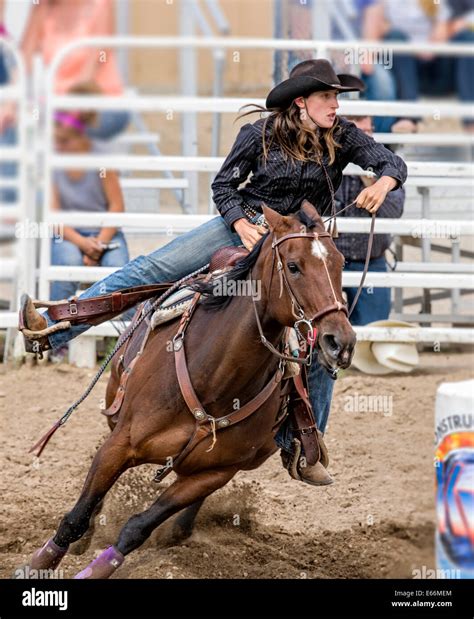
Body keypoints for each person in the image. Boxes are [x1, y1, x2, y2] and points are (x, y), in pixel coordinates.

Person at [19, 59, 408, 486]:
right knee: (154, 269)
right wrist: (241, 223)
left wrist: (383, 183)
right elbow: (224, 184)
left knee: (322, 333)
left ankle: (303, 444)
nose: (336, 105)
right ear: (301, 102)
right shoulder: (258, 135)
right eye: (328, 97)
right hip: (240, 226)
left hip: (295, 245)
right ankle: (55, 325)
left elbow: (391, 163)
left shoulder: (344, 136)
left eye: (336, 98)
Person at [0, 0, 129, 203]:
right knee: (11, 122)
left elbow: (96, 59)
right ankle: (9, 210)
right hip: (57, 106)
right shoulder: (42, 8)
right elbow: (22, 60)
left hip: (98, 101)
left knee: (62, 133)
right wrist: (9, 105)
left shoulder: (100, 4)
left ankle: (67, 208)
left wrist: (69, 104)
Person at [49, 83, 131, 360]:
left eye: (65, 140)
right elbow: (53, 214)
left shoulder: (101, 159)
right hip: (72, 233)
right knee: (66, 265)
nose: (60, 146)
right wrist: (85, 243)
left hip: (104, 232)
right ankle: (56, 337)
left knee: (120, 272)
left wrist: (99, 242)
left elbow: (116, 205)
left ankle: (125, 337)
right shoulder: (54, 164)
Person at [333, 115, 405, 325]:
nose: (365, 137)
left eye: (368, 130)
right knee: (322, 332)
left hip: (370, 258)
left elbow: (394, 212)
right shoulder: (328, 161)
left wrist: (375, 185)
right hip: (328, 260)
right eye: (359, 132)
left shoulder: (385, 166)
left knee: (373, 331)